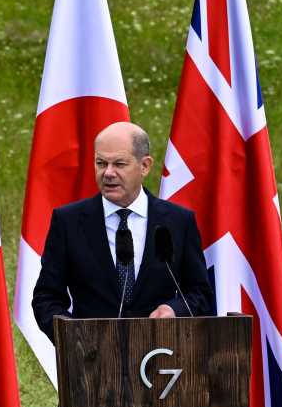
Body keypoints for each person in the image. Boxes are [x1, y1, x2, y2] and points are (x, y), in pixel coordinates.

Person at [33, 123, 213, 340]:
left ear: (144, 166)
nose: (108, 173)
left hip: (161, 356)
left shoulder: (178, 222)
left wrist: (174, 309)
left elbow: (200, 293)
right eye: (101, 163)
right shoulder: (68, 222)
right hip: (89, 361)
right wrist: (73, 337)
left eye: (119, 164)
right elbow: (46, 297)